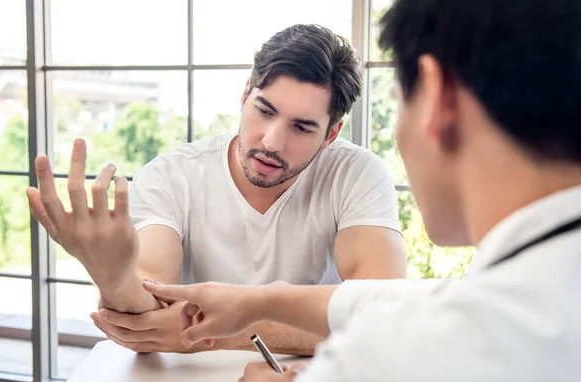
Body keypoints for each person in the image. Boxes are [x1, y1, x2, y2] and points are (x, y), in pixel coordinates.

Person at [140, 0, 581, 382]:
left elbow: (388, 323)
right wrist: (261, 302)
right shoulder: (546, 288)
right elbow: (384, 306)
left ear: (436, 96)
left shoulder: (372, 372)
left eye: (399, 97)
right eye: (266, 110)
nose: (272, 141)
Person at [26, 24, 406, 356]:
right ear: (245, 95)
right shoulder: (173, 175)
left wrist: (228, 331)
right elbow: (148, 312)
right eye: (265, 110)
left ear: (331, 135)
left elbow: (381, 316)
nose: (272, 141)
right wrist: (113, 275)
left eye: (302, 128)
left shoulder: (356, 174)